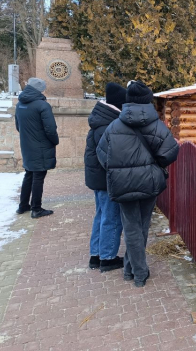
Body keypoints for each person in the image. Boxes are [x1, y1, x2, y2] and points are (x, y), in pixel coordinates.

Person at [97, 81, 179, 287]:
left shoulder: (114, 126)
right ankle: (139, 273)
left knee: (131, 227)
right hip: (149, 183)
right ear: (147, 101)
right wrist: (153, 166)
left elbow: (101, 154)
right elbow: (170, 152)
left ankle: (129, 269)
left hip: (122, 184)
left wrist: (117, 169)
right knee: (141, 227)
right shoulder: (156, 125)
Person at [85, 82, 127, 272]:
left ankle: (96, 255)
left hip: (98, 179)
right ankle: (108, 258)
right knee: (111, 218)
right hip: (106, 180)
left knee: (101, 215)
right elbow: (110, 157)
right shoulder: (108, 125)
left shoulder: (100, 120)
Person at [15, 78, 59, 218]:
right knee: (38, 176)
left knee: (29, 174)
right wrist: (55, 141)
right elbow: (50, 129)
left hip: (27, 145)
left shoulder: (20, 103)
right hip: (40, 146)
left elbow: (18, 126)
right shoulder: (42, 105)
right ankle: (36, 209)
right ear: (39, 90)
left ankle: (23, 206)